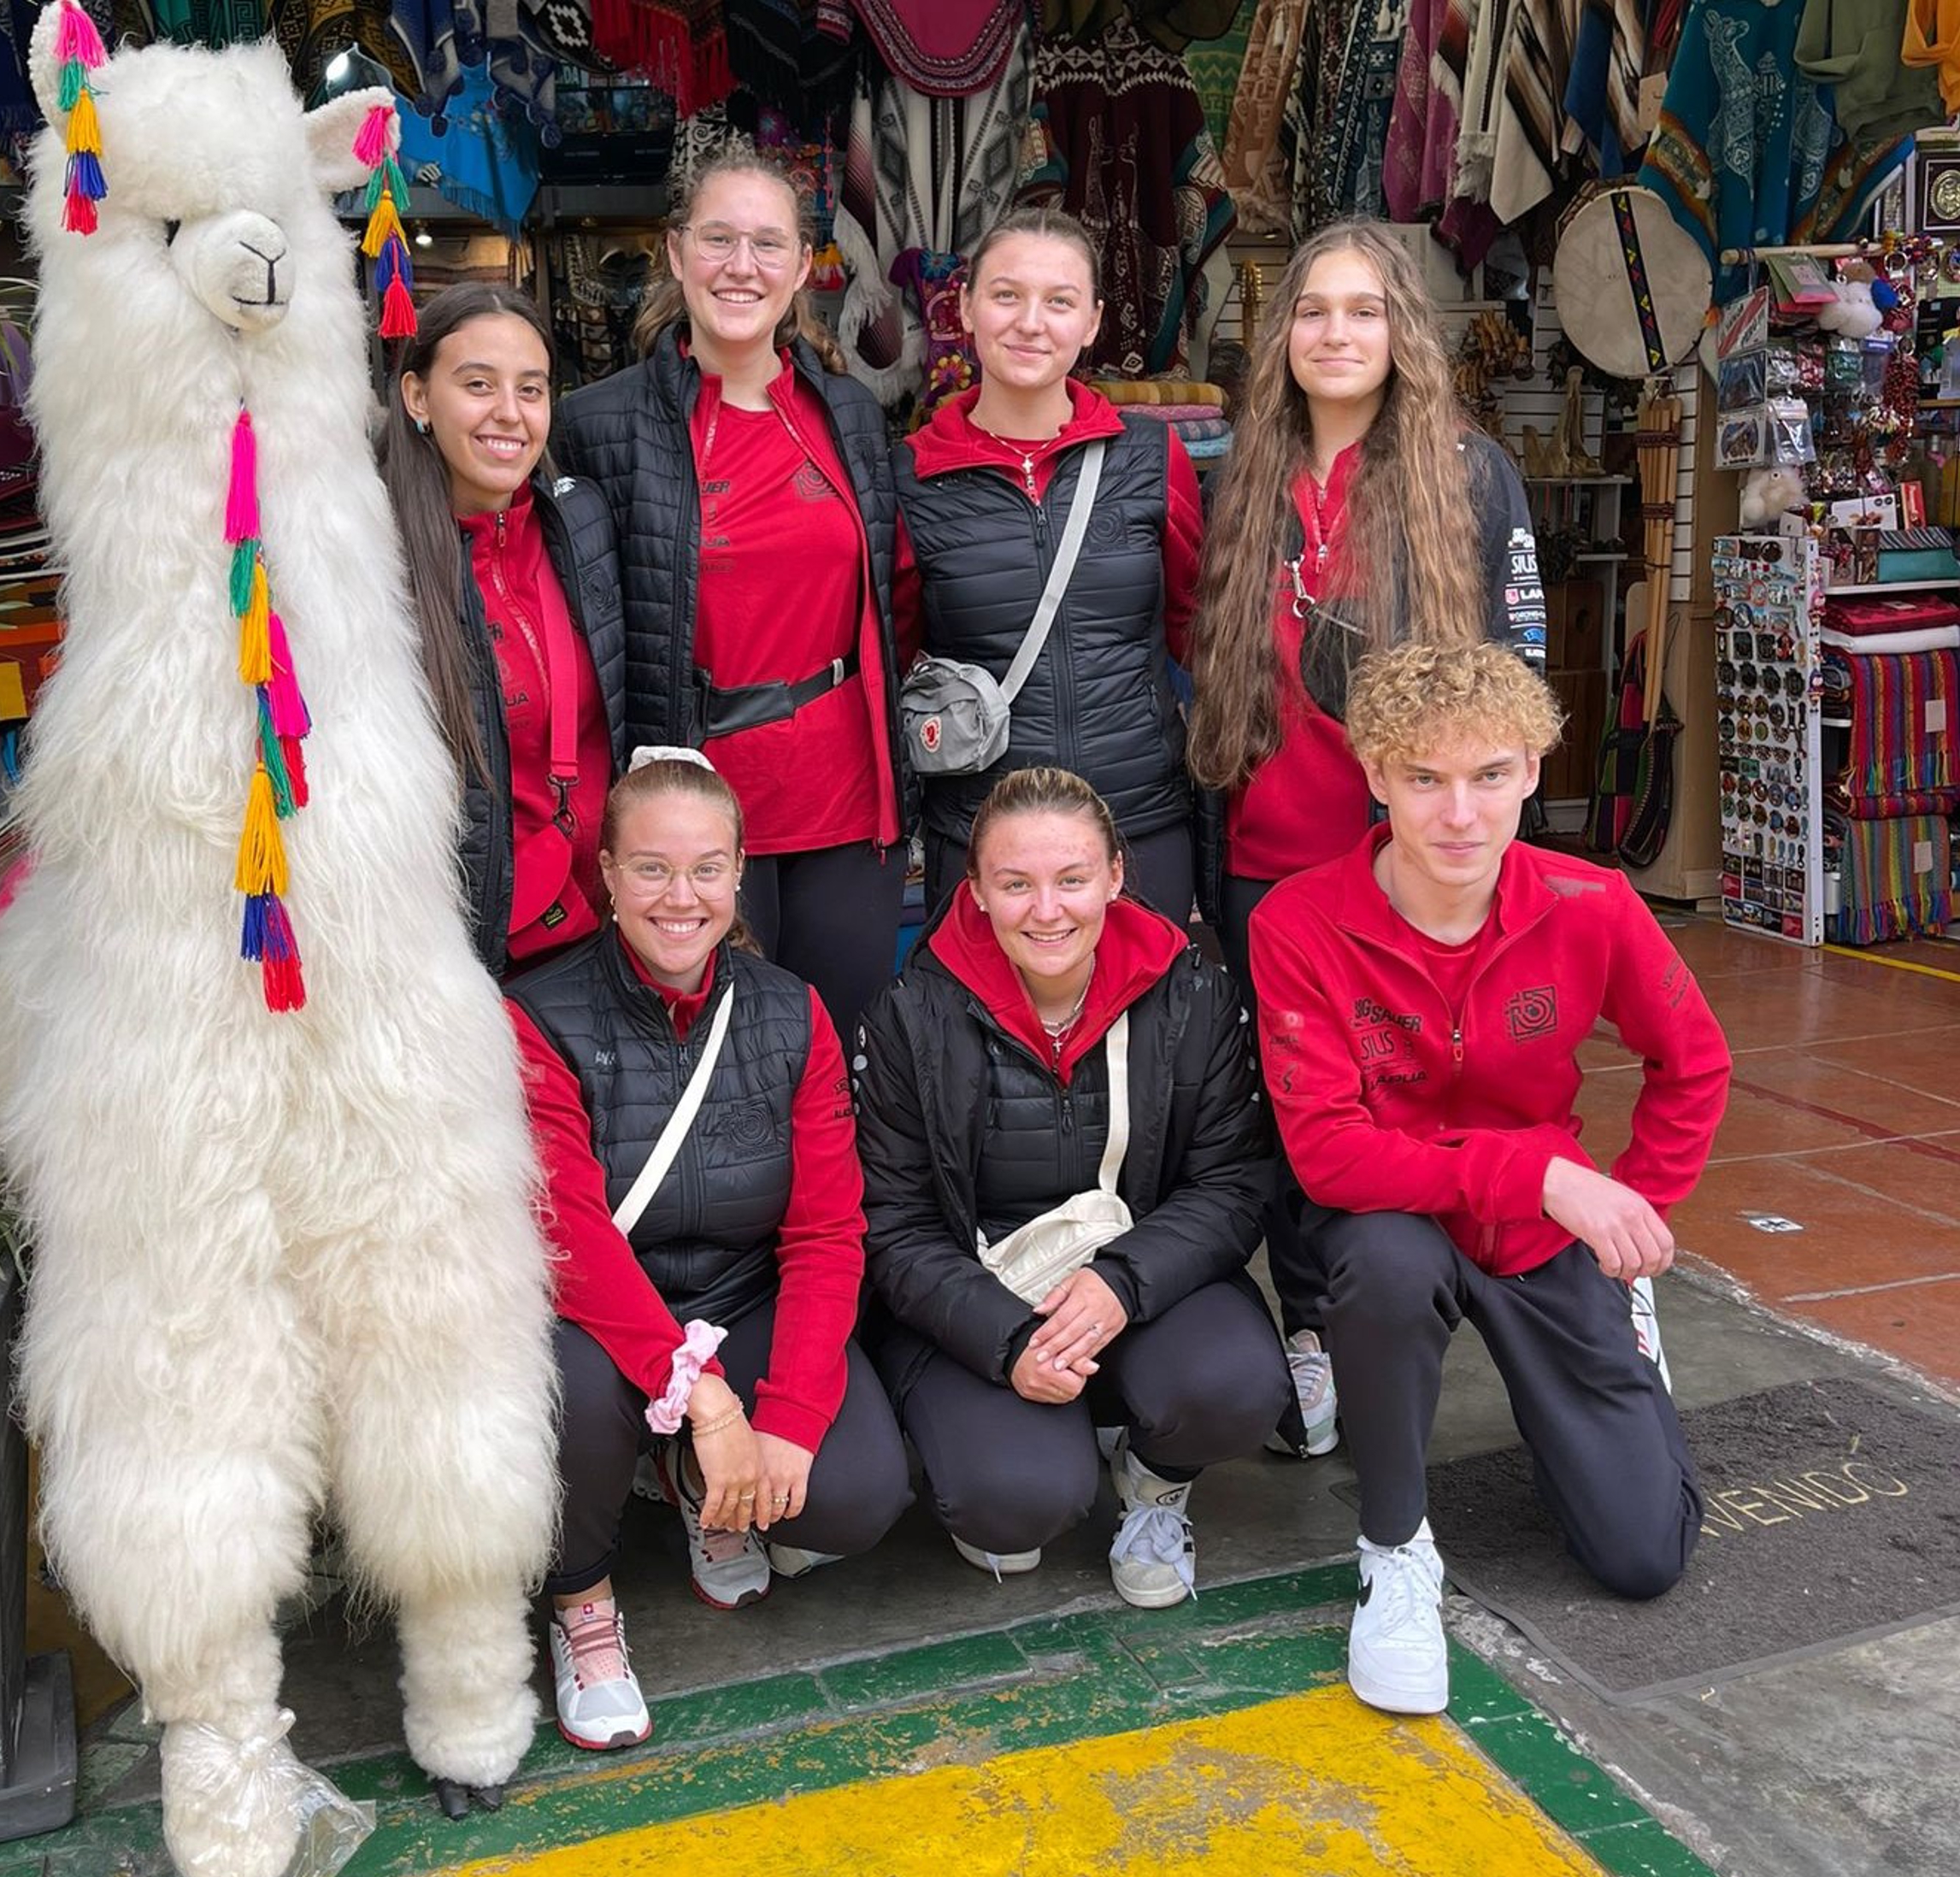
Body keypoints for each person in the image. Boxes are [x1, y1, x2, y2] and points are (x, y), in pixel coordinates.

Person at [1248, 641, 1727, 1717]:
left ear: (1533, 769)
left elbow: (1692, 1060)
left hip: (1540, 1234)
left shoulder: (1590, 900)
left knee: (1643, 1554)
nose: (1458, 814)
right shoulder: (1299, 921)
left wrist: (1632, 1210)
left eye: (1490, 776)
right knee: (1374, 1259)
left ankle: (1621, 1328)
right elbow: (1329, 1152)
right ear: (1375, 776)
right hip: (1401, 1218)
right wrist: (1551, 1178)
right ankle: (1395, 1550)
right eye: (1424, 778)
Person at [1186, 216, 1548, 1456]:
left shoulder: (1466, 472)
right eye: (1311, 311)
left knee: (1420, 1094)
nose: (1335, 334)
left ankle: (1454, 1301)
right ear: (1279, 335)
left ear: (1402, 332)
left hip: (1401, 865)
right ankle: (1308, 1331)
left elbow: (1514, 682)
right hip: (1263, 859)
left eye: (1362, 311)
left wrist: (1484, 846)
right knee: (1292, 1110)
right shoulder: (1239, 471)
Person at [508, 751, 910, 1751]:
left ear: (739, 875)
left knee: (853, 1493)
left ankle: (699, 1485)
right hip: (605, 1318)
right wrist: (713, 1401)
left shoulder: (792, 1010)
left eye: (706, 869)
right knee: (572, 1387)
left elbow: (825, 1232)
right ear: (604, 872)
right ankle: (583, 1603)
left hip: (737, 1292)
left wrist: (793, 1413)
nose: (680, 897)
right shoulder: (536, 1014)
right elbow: (570, 1238)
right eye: (650, 867)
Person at [856, 768, 1288, 1608]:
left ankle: (1155, 1481)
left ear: (1117, 874)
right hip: (979, 1298)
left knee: (1237, 1383)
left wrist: (1124, 1282)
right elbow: (893, 1227)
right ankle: (1031, 1443)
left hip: (1129, 1277)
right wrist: (1007, 1338)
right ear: (975, 889)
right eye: (1015, 883)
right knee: (1015, 1504)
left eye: (1072, 879)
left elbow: (1233, 1182)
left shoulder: (1191, 993)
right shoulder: (911, 1016)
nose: (1047, 910)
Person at [554, 144, 909, 1047]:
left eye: (765, 243)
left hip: (844, 801)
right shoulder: (599, 425)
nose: (740, 266)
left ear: (800, 265)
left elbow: (894, 596)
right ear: (676, 253)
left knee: (837, 1052)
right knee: (711, 1059)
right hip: (696, 813)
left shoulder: (851, 416)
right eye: (717, 239)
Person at [893, 209, 1205, 925]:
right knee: (981, 1035)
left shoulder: (1151, 460)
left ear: (1092, 321)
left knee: (1153, 1031)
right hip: (983, 834)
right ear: (966, 307)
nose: (1031, 323)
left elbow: (1200, 631)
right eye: (1006, 295)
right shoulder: (912, 475)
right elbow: (898, 658)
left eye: (1059, 301)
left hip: (1139, 824)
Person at [380, 283, 626, 979]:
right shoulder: (375, 560)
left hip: (600, 932)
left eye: (532, 389)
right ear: (418, 397)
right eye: (478, 385)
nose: (509, 415)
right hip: (466, 954)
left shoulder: (578, 524)